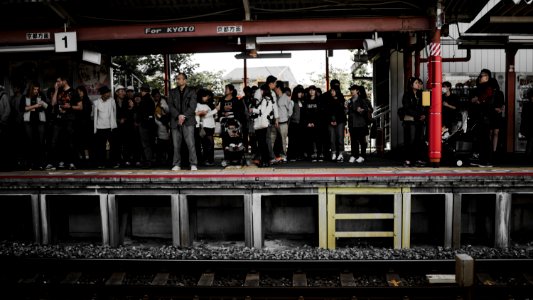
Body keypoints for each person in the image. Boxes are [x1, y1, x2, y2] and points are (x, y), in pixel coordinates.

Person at [48, 76, 81, 170]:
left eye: (59, 81)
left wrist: (70, 107)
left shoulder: (74, 92)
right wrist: (56, 90)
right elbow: (53, 103)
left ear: (64, 81)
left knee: (69, 142)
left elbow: (80, 107)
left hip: (69, 120)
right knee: (54, 141)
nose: (57, 82)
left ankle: (71, 162)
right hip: (58, 120)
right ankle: (54, 163)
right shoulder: (58, 91)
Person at [169, 73, 198, 171]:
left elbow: (192, 106)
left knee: (191, 144)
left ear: (185, 80)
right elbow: (171, 106)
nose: (177, 80)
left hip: (188, 121)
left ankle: (193, 163)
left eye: (180, 79)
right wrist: (178, 116)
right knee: (176, 145)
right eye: (177, 79)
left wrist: (183, 116)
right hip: (175, 121)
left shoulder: (192, 91)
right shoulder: (172, 92)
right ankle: (177, 164)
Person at [468, 69, 496, 167]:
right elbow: (472, 100)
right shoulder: (479, 88)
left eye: (483, 75)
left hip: (485, 117)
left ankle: (487, 161)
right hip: (480, 116)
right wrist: (477, 100)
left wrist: (478, 100)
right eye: (481, 75)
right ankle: (483, 160)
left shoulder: (489, 87)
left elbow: (483, 99)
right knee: (481, 139)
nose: (481, 77)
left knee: (485, 139)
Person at [21, 82, 48, 170]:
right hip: (28, 122)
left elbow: (47, 107)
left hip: (40, 122)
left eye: (37, 89)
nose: (36, 91)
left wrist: (35, 106)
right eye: (34, 89)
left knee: (40, 143)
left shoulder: (41, 96)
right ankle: (29, 164)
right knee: (29, 143)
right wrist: (35, 106)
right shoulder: (25, 96)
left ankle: (40, 164)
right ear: (31, 89)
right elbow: (22, 108)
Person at [401, 77, 427, 167]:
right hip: (411, 121)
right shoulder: (407, 95)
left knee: (419, 140)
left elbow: (427, 107)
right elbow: (407, 108)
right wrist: (418, 115)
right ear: (411, 85)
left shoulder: (424, 94)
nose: (418, 85)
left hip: (420, 121)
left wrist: (425, 115)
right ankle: (408, 159)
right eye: (416, 83)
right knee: (410, 140)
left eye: (419, 83)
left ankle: (418, 159)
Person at [251, 84, 276, 167]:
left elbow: (262, 111)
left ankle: (265, 161)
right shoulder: (269, 100)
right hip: (264, 123)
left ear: (264, 91)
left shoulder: (265, 100)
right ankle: (265, 160)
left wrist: (253, 110)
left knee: (262, 143)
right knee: (263, 143)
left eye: (261, 90)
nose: (260, 92)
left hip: (261, 123)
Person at [93, 85, 117, 168]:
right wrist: (95, 128)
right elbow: (94, 116)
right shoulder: (96, 102)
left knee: (113, 146)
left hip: (110, 127)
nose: (109, 94)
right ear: (102, 94)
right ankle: (101, 163)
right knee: (100, 147)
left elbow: (114, 113)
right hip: (100, 128)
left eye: (109, 92)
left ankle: (112, 163)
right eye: (107, 93)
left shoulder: (112, 101)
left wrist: (114, 124)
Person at [347, 84, 370, 164]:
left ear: (357, 91)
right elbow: (347, 111)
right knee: (353, 141)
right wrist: (346, 109)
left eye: (353, 90)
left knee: (361, 140)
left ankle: (363, 156)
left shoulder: (362, 100)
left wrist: (361, 110)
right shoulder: (349, 100)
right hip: (352, 123)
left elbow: (366, 109)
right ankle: (354, 155)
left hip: (360, 123)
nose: (352, 91)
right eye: (351, 90)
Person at [271, 81, 293, 163]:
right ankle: (272, 156)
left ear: (279, 88)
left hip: (283, 122)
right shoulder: (274, 97)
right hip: (274, 122)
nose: (274, 89)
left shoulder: (286, 98)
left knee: (283, 140)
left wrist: (285, 117)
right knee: (272, 139)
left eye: (275, 88)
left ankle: (284, 156)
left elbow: (290, 111)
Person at [324, 84, 346, 162]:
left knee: (340, 138)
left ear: (337, 91)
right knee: (332, 138)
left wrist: (336, 121)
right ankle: (333, 153)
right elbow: (326, 112)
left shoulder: (341, 99)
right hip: (330, 121)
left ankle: (340, 154)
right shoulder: (328, 99)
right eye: (331, 91)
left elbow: (342, 112)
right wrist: (331, 120)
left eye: (333, 91)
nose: (332, 92)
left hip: (340, 121)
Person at [195, 88, 217, 166]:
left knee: (209, 144)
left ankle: (209, 160)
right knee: (208, 144)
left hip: (211, 126)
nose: (207, 98)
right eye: (205, 96)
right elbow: (204, 115)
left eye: (208, 96)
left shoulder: (209, 104)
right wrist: (216, 110)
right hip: (205, 126)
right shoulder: (198, 104)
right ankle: (207, 160)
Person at [136, 83, 156, 168]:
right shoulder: (151, 99)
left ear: (142, 90)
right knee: (150, 143)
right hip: (151, 124)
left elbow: (140, 113)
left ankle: (148, 161)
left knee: (145, 143)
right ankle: (150, 160)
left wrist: (138, 121)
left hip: (144, 124)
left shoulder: (144, 100)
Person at [0, 85, 12, 171]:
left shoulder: (3, 96)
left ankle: (5, 166)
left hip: (2, 124)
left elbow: (7, 110)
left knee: (3, 145)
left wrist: (1, 120)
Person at [520, 88, 533, 162]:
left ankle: (527, 156)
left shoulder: (526, 105)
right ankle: (528, 156)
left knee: (530, 141)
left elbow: (523, 117)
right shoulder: (528, 105)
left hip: (528, 125)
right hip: (530, 125)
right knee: (530, 140)